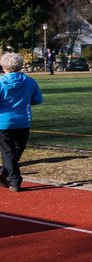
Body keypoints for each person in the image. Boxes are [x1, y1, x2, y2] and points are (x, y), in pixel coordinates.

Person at [0, 52, 44, 192]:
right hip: (23, 120)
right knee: (18, 148)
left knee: (8, 151)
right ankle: (9, 175)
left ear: (3, 66)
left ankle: (12, 179)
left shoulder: (1, 82)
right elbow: (38, 99)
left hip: (4, 121)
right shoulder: (29, 81)